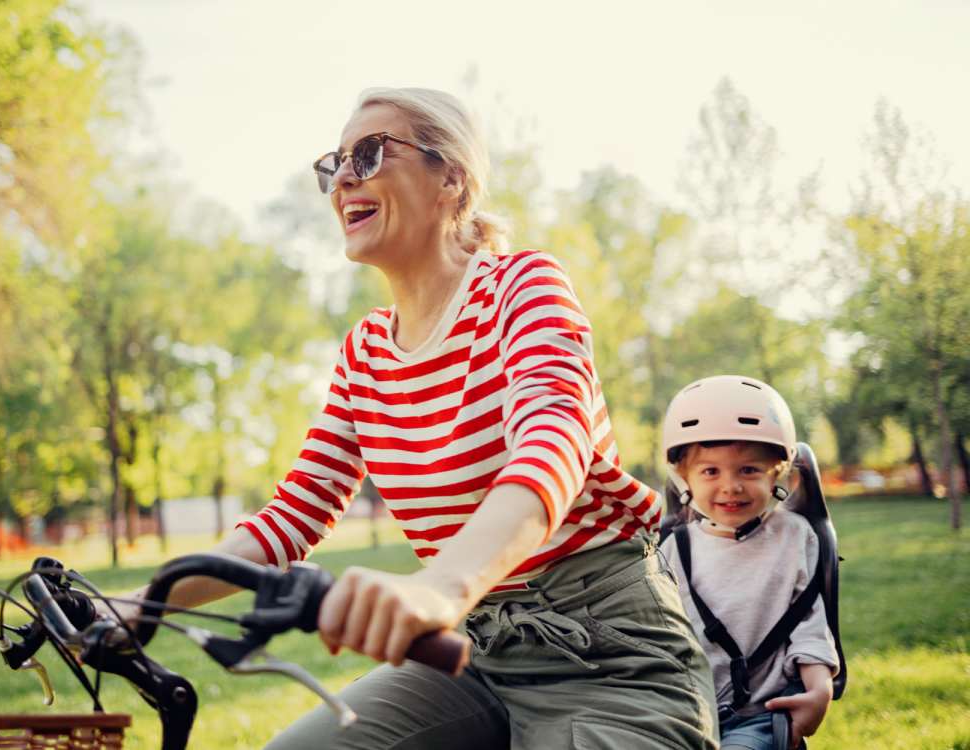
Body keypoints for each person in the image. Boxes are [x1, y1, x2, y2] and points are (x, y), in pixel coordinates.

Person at [132, 87, 718, 749]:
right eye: (335, 163)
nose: (343, 178)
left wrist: (441, 587)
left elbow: (553, 440)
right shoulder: (365, 353)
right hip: (473, 653)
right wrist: (140, 603)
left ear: (452, 178)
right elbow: (290, 518)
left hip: (608, 649)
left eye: (371, 152)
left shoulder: (523, 286)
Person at [660, 375, 840, 749]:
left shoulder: (793, 537)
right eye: (711, 471)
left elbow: (809, 621)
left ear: (779, 473)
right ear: (684, 477)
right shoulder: (674, 548)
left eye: (749, 470)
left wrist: (819, 688)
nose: (731, 486)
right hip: (684, 712)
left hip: (761, 713)